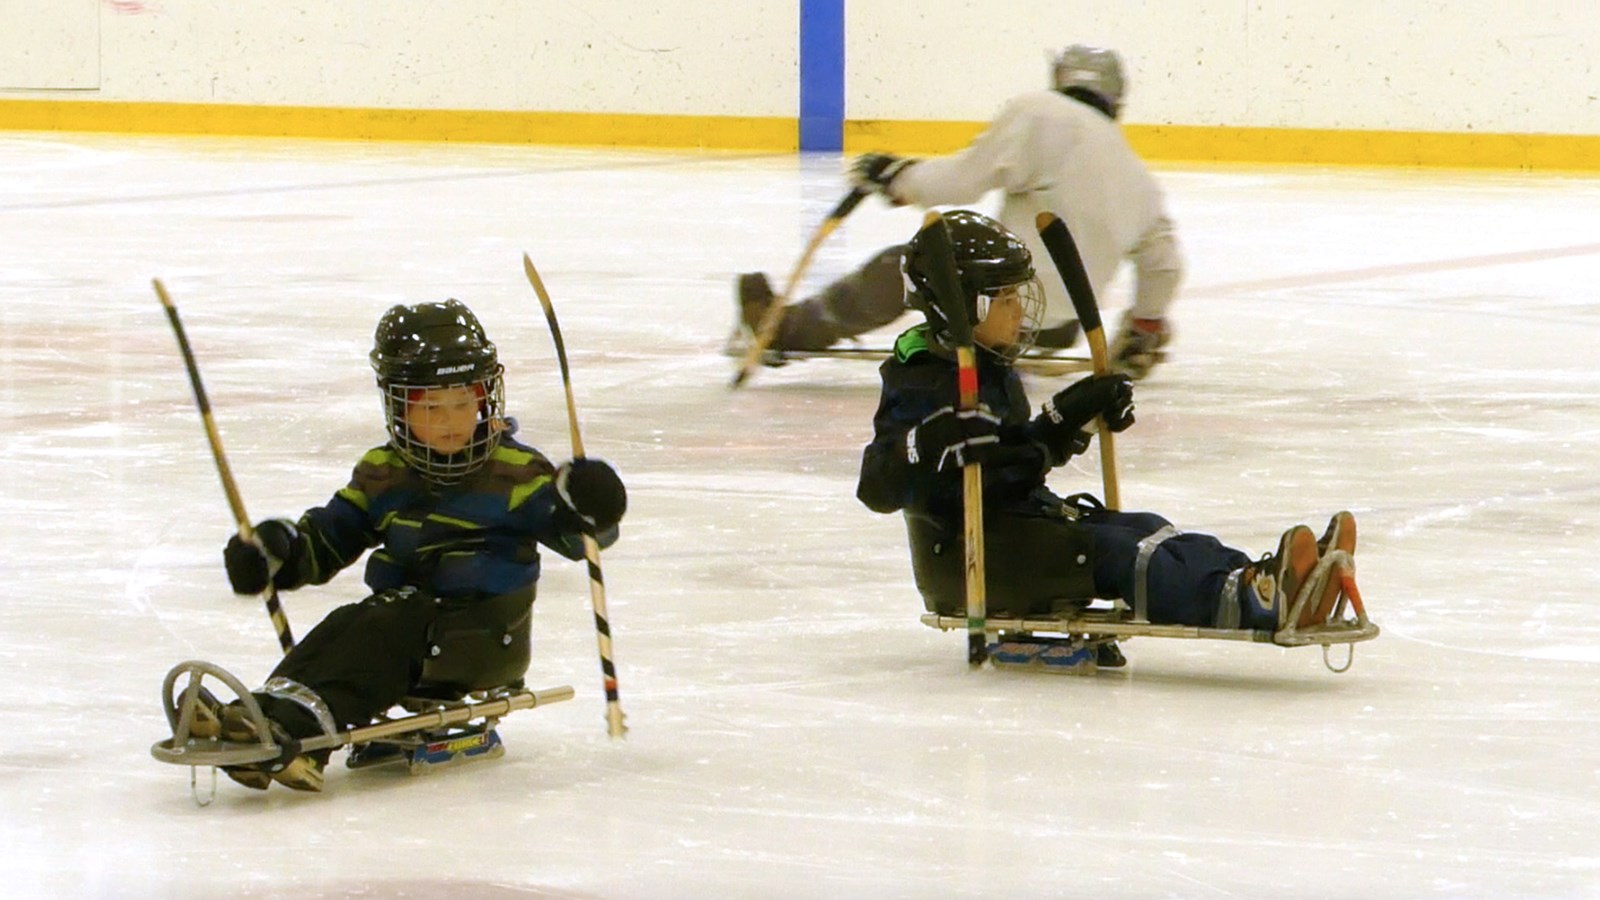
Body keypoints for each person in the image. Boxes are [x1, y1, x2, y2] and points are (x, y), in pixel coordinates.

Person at [191, 299, 628, 792]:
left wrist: (591, 505)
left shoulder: (517, 471)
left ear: (486, 398)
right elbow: (330, 537)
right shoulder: (385, 471)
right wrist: (276, 552)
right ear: (399, 407)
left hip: (483, 634)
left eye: (463, 403)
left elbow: (579, 537)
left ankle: (297, 728)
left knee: (387, 620)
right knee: (348, 621)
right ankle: (260, 714)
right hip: (405, 621)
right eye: (431, 407)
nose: (450, 421)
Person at [855, 210, 1355, 637]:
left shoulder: (990, 370)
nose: (1017, 313)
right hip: (970, 559)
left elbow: (1009, 463)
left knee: (1145, 527)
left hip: (1015, 528)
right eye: (1002, 299)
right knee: (1117, 551)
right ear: (959, 307)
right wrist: (932, 441)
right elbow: (877, 486)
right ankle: (1254, 604)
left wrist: (1070, 417)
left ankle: (1261, 581)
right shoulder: (920, 378)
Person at [735, 44, 1181, 379]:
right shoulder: (1139, 177)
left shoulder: (1042, 113)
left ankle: (789, 331)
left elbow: (964, 181)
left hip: (1001, 309)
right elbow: (1164, 265)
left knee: (911, 263)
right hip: (1057, 324)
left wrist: (898, 177)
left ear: (1062, 77)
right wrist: (1142, 328)